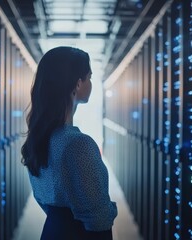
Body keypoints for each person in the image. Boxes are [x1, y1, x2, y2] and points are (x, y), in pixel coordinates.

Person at [21, 46, 117, 240]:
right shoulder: (79, 145)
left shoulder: (39, 138)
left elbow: (42, 199)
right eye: (89, 77)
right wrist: (110, 211)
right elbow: (98, 221)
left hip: (52, 232)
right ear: (77, 84)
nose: (90, 83)